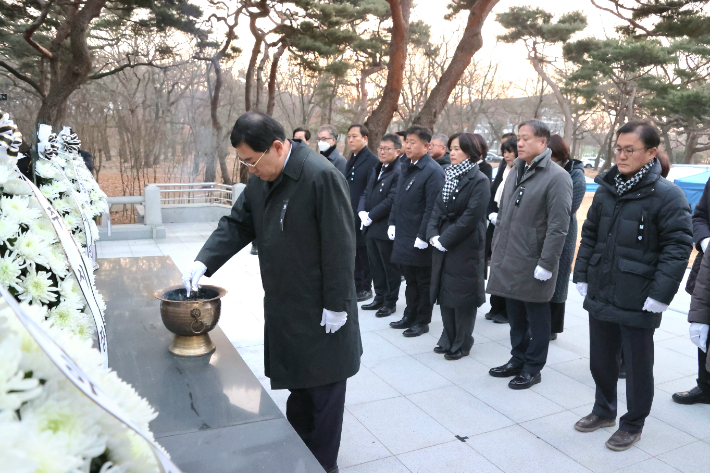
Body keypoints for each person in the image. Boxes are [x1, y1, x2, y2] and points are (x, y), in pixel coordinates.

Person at [181, 111, 362, 473]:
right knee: (299, 385)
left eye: (252, 160)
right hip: (286, 303)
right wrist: (205, 261)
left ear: (278, 147)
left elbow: (341, 245)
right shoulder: (264, 179)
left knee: (324, 392)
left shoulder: (321, 177)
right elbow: (237, 222)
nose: (250, 169)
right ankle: (295, 455)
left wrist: (337, 304)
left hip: (322, 306)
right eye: (243, 162)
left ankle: (323, 465)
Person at [572, 121, 692, 451]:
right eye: (618, 149)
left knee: (637, 367)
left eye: (630, 150)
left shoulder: (667, 196)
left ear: (651, 152)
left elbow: (678, 248)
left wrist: (660, 295)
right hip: (603, 286)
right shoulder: (608, 189)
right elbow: (591, 235)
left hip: (639, 296)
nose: (621, 156)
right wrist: (581, 273)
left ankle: (633, 422)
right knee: (601, 360)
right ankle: (603, 411)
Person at [486, 120, 572, 390]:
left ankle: (533, 367)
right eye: (518, 138)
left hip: (534, 260)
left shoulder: (558, 177)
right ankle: (517, 358)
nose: (519, 143)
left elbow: (559, 227)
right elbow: (507, 215)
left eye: (525, 138)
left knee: (536, 316)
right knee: (516, 316)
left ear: (543, 143)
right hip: (510, 257)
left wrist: (546, 263)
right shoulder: (516, 170)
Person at [428, 133, 491, 360]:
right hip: (444, 242)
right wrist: (432, 234)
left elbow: (471, 217)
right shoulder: (447, 174)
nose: (452, 153)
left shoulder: (480, 180)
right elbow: (436, 208)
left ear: (470, 152)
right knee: (444, 291)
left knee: (462, 294)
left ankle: (462, 341)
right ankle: (448, 334)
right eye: (451, 149)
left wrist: (444, 239)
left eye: (457, 149)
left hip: (465, 245)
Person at [388, 125, 445, 337]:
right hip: (404, 232)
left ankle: (422, 320)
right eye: (407, 142)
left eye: (413, 142)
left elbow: (433, 208)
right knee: (410, 279)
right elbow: (398, 198)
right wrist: (392, 222)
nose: (408, 146)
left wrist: (423, 236)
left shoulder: (432, 171)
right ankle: (409, 315)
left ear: (426, 145)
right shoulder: (406, 165)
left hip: (419, 237)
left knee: (423, 281)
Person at [673, 173, 710, 405]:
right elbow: (700, 217)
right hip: (708, 267)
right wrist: (705, 241)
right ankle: (705, 386)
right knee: (704, 324)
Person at [358, 134, 402, 317]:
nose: (382, 152)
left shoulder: (399, 171)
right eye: (380, 148)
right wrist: (361, 212)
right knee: (375, 264)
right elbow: (366, 192)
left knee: (388, 267)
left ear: (398, 151)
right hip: (370, 227)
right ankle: (380, 296)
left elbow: (392, 199)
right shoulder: (378, 168)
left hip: (384, 227)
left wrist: (371, 216)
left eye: (387, 148)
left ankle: (390, 301)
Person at [548, 135, 586, 340]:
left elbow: (568, 208)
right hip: (542, 231)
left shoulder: (576, 176)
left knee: (559, 278)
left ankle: (552, 328)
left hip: (563, 232)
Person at [346, 124, 380, 301]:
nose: (351, 140)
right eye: (349, 136)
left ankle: (365, 287)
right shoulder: (352, 157)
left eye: (355, 136)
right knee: (354, 251)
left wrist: (365, 212)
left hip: (363, 214)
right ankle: (356, 284)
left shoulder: (371, 161)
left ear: (365, 139)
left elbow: (370, 190)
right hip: (350, 213)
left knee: (363, 252)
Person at [485, 135, 517, 324]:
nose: (506, 156)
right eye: (504, 152)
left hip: (511, 226)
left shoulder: (520, 171)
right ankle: (495, 305)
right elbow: (493, 192)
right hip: (495, 223)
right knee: (495, 265)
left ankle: (506, 310)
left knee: (507, 268)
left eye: (509, 152)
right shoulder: (503, 170)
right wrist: (491, 213)